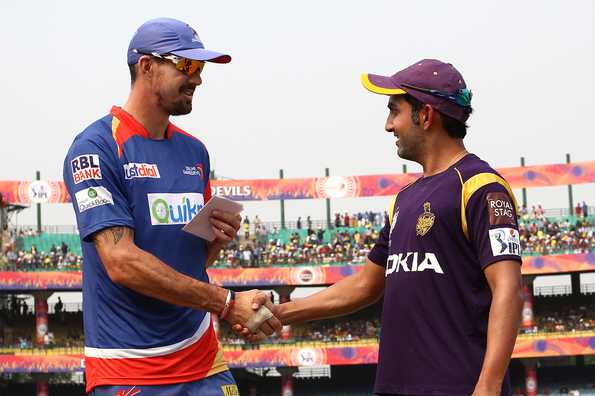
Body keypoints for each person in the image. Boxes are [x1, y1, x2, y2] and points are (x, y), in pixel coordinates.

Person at [240, 59, 523, 395]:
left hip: (458, 386)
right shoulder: (404, 199)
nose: (388, 125)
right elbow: (364, 286)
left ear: (427, 115)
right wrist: (279, 313)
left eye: (395, 111)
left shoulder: (480, 186)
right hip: (395, 386)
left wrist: (488, 386)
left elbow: (508, 288)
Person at [63, 18, 280, 395]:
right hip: (130, 370)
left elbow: (185, 265)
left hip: (202, 360)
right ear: (147, 67)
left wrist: (213, 242)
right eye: (188, 66)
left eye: (201, 68)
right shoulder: (95, 148)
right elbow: (122, 262)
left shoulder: (195, 151)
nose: (198, 79)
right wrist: (227, 303)